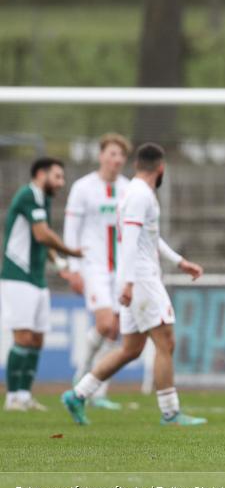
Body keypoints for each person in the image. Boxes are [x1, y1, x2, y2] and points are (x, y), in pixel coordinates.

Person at [62, 143, 205, 426]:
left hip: (133, 278)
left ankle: (78, 394)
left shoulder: (132, 192)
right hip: (140, 279)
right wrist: (128, 283)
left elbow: (149, 236)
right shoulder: (140, 194)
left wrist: (179, 262)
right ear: (161, 168)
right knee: (166, 340)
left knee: (131, 349)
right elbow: (129, 239)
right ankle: (170, 412)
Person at [2, 158, 83, 411]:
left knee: (37, 339)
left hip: (36, 279)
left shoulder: (43, 199)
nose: (61, 182)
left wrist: (59, 264)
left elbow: (43, 239)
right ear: (40, 174)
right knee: (23, 336)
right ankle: (12, 396)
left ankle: (24, 395)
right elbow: (42, 234)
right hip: (18, 276)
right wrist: (71, 251)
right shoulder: (28, 195)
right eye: (57, 176)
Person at [62, 133, 133, 410]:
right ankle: (82, 375)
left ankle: (98, 391)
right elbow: (72, 230)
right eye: (112, 153)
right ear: (101, 155)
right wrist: (72, 268)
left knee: (114, 330)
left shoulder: (128, 188)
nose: (116, 160)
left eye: (121, 155)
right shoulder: (83, 188)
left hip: (120, 270)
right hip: (93, 266)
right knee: (104, 324)